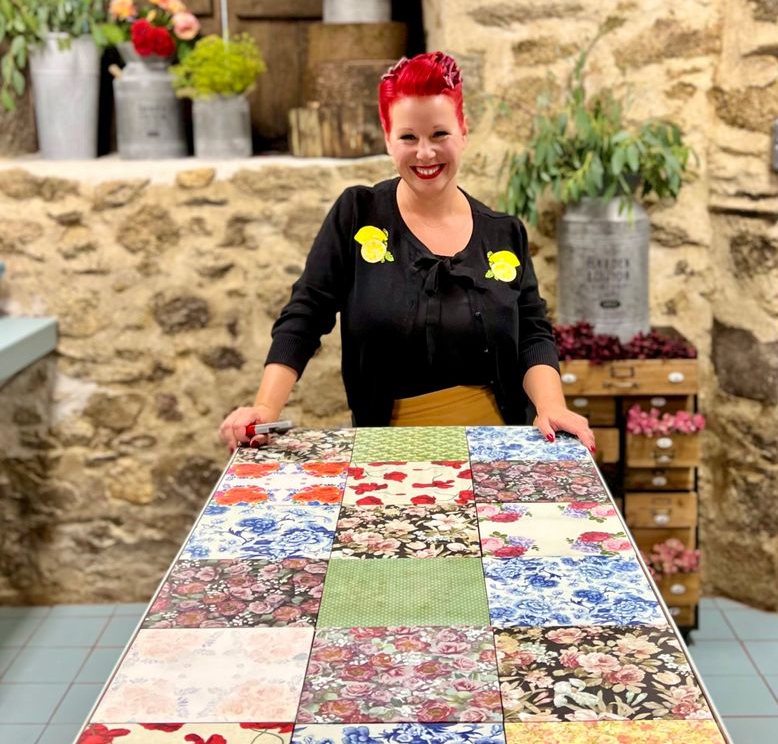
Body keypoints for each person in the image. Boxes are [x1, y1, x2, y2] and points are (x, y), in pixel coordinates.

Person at [218, 52, 596, 451]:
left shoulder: (503, 233)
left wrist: (551, 406)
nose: (425, 153)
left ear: (463, 131)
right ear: (387, 138)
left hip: (498, 445)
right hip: (389, 449)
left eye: (439, 134)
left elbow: (532, 332)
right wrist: (265, 407)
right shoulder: (357, 214)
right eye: (408, 137)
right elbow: (306, 313)